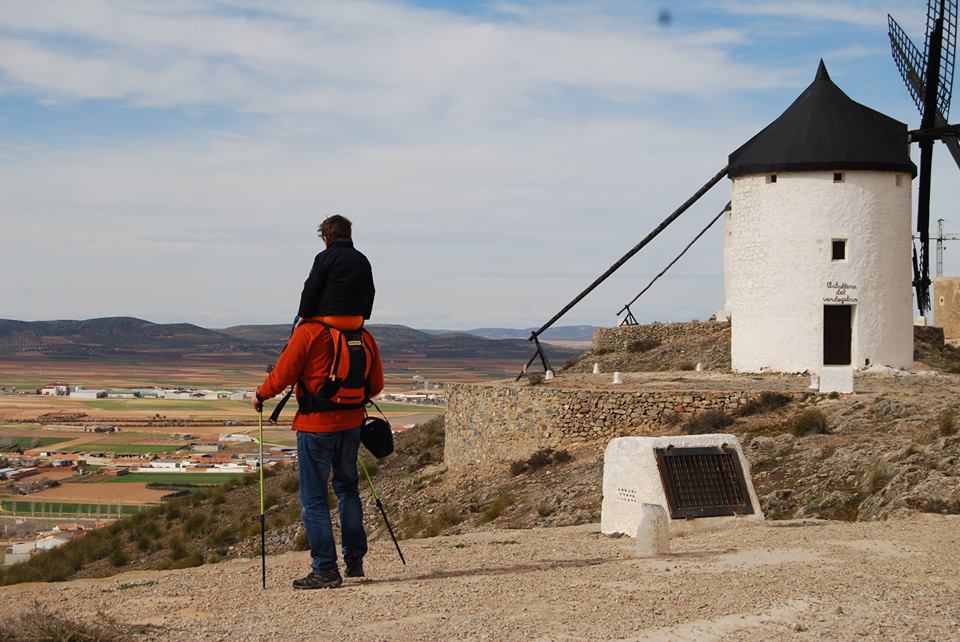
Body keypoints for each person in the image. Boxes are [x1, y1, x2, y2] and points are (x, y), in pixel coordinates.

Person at [254, 321, 384, 589]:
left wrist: (260, 395)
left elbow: (283, 374)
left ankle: (325, 569)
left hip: (315, 427)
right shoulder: (363, 335)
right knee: (348, 490)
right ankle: (354, 559)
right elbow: (376, 384)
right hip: (351, 425)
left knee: (314, 499)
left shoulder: (309, 332)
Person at [296, 214, 375, 332]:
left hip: (330, 319)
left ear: (326, 237)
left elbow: (311, 288)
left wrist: (303, 314)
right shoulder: (362, 259)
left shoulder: (324, 257)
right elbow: (371, 290)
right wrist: (364, 316)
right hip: (356, 321)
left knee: (296, 325)